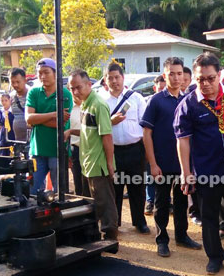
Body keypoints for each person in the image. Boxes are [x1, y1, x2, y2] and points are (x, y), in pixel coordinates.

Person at [174, 52, 224, 275]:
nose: (206, 84)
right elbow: (183, 141)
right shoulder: (188, 104)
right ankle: (215, 258)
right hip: (206, 172)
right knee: (209, 217)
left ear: (219, 75)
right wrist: (186, 173)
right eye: (200, 79)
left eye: (210, 78)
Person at [141, 57, 202, 257]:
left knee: (182, 201)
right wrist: (152, 164)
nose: (176, 78)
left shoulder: (189, 100)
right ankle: (162, 239)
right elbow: (147, 133)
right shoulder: (156, 101)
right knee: (161, 202)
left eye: (179, 74)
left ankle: (182, 236)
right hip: (162, 163)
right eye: (172, 74)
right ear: (164, 75)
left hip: (183, 164)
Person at [64, 69, 118, 240]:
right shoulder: (85, 104)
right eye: (72, 88)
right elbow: (88, 132)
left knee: (105, 202)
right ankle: (94, 233)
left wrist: (110, 164)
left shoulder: (98, 105)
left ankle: (110, 237)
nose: (75, 92)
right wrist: (71, 131)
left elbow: (106, 136)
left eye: (78, 87)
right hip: (87, 162)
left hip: (99, 163)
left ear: (89, 85)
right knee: (91, 201)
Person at [100, 62, 150, 233]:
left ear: (123, 77)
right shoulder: (102, 101)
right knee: (115, 188)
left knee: (138, 187)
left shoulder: (136, 98)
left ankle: (140, 221)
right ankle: (116, 222)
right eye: (110, 78)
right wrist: (110, 121)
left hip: (135, 150)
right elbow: (98, 126)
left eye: (117, 77)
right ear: (105, 81)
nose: (114, 81)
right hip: (113, 151)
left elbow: (145, 125)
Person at [25, 58, 73, 196]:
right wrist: (54, 114)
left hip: (57, 151)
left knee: (59, 194)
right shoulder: (33, 92)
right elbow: (28, 119)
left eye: (46, 72)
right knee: (31, 192)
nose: (43, 76)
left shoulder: (65, 94)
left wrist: (37, 119)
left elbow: (60, 124)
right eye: (40, 73)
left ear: (55, 73)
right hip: (37, 150)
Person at [8, 67, 29, 142]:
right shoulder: (11, 96)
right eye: (13, 82)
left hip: (32, 140)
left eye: (18, 82)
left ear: (25, 80)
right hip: (18, 141)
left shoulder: (32, 95)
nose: (15, 85)